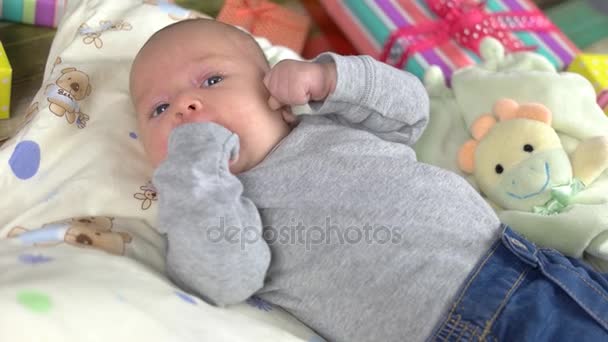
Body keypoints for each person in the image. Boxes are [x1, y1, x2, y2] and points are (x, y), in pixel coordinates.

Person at [129, 18, 608, 342]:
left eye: (211, 81)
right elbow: (224, 278)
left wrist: (329, 79)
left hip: (525, 260)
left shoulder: (325, 118)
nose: (186, 108)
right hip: (455, 325)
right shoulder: (217, 206)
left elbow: (411, 112)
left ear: (272, 84)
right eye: (159, 109)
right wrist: (193, 169)